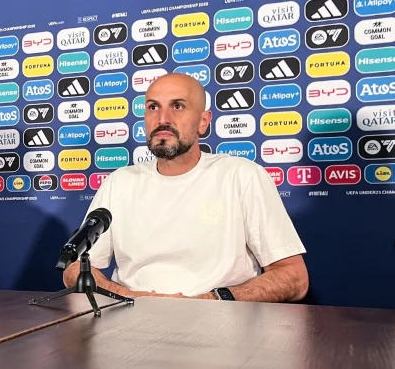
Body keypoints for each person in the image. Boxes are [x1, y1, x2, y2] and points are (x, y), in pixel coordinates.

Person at [63, 73, 308, 302]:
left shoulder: (242, 176)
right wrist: (133, 297)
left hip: (220, 322)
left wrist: (209, 302)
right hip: (130, 318)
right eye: (153, 107)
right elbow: (74, 270)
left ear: (203, 121)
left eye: (178, 106)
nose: (163, 119)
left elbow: (294, 278)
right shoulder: (119, 183)